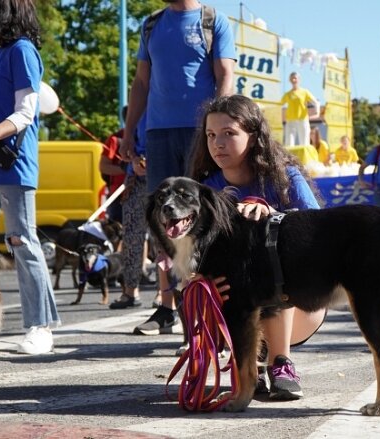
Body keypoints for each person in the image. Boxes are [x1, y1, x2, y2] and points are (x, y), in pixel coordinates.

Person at [189, 94, 327, 400]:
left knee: (268, 266)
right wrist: (201, 280)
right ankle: (250, 367)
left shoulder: (284, 176)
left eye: (229, 133)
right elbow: (187, 251)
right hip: (233, 309)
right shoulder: (203, 189)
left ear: (253, 137)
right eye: (211, 135)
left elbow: (319, 230)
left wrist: (271, 214)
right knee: (202, 284)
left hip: (299, 306)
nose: (217, 143)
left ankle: (282, 363)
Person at [120, 0, 236, 336]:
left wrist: (214, 127)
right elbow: (141, 83)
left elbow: (225, 75)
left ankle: (209, 307)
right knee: (163, 220)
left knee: (201, 223)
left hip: (198, 133)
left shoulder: (214, 20)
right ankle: (167, 307)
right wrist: (129, 133)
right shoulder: (151, 24)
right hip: (158, 133)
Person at [0, 0, 60, 354]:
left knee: (21, 239)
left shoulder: (22, 51)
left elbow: (26, 113)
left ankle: (41, 326)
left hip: (13, 162)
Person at [109, 113, 149, 310]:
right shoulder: (138, 111)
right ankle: (130, 290)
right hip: (136, 179)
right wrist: (134, 159)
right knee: (131, 236)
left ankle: (165, 294)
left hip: (164, 172)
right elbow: (127, 144)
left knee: (164, 239)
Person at [99, 106, 128, 223]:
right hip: (119, 196)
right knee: (118, 234)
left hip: (143, 194)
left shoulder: (148, 137)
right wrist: (126, 169)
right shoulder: (116, 139)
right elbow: (103, 167)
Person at [281, 72, 319, 146]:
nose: (294, 80)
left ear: (299, 80)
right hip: (290, 120)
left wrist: (317, 111)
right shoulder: (288, 94)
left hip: (303, 119)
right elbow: (278, 104)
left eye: (295, 78)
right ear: (290, 80)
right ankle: (289, 157)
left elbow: (315, 101)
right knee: (289, 142)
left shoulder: (304, 92)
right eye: (292, 78)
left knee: (304, 142)